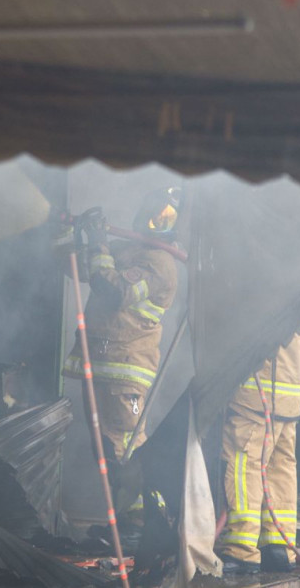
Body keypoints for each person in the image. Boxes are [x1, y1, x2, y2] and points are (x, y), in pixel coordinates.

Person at [61, 187, 181, 506]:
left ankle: (147, 522)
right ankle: (132, 519)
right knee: (107, 448)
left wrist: (99, 242)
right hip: (101, 365)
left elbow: (115, 292)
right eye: (153, 212)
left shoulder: (160, 264)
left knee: (126, 449)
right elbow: (82, 270)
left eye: (164, 217)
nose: (154, 221)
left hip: (125, 372)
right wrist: (81, 237)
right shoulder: (127, 251)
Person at [216, 317, 300, 574]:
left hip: (257, 395)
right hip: (289, 397)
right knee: (279, 467)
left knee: (244, 463)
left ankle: (242, 551)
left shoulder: (274, 281)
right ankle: (278, 547)